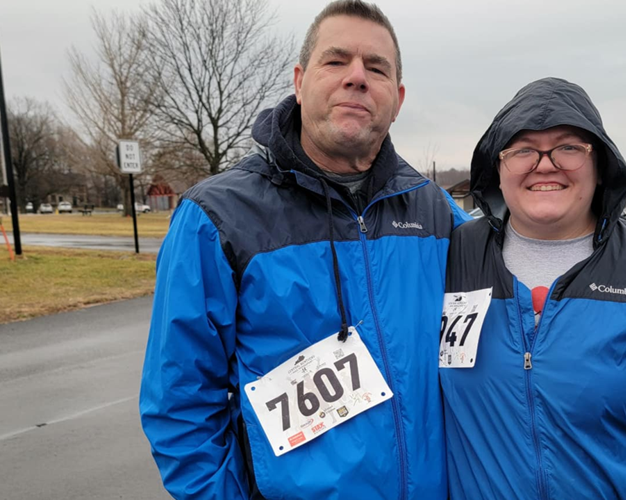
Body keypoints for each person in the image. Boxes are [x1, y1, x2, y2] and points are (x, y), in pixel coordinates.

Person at [139, 1, 469, 499]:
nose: (357, 77)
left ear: (397, 99)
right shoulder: (217, 220)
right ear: (299, 80)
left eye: (376, 67)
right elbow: (180, 407)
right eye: (336, 61)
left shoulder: (440, 216)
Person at [439, 77, 626, 499]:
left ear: (600, 165)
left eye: (569, 147)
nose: (544, 164)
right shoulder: (451, 258)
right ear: (498, 167)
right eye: (523, 149)